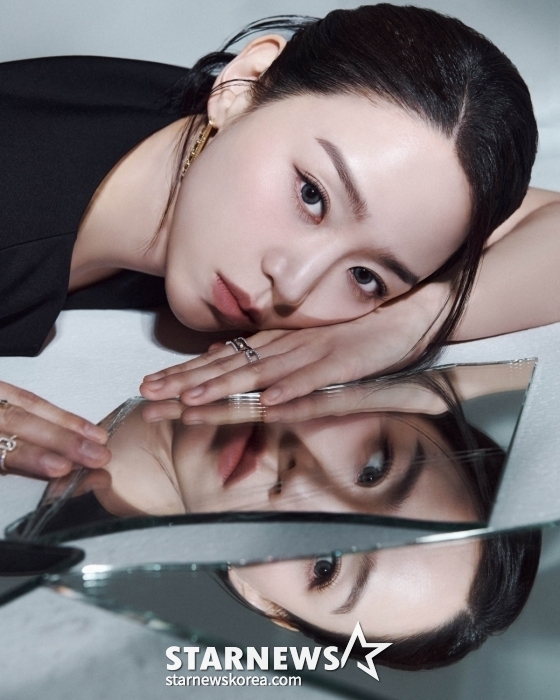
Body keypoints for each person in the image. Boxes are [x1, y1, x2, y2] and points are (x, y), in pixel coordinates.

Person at [0, 5, 558, 479]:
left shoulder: (247, 124)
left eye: (366, 277)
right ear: (243, 83)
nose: (292, 285)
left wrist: (409, 323)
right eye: (312, 195)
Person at [9, 364, 540, 670]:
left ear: (262, 599)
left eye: (327, 565)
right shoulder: (259, 262)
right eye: (375, 468)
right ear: (412, 401)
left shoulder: (19, 562)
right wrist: (460, 369)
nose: (301, 484)